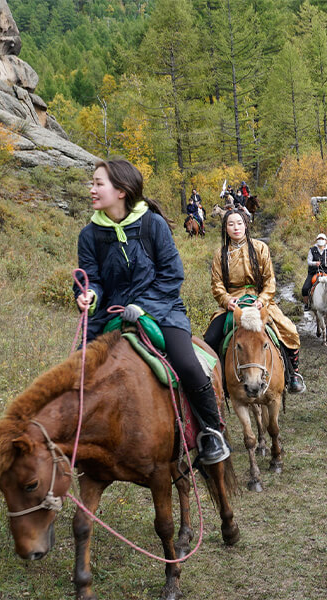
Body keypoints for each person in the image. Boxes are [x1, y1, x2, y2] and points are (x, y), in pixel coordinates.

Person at [74, 159, 229, 465]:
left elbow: (172, 274)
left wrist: (143, 306)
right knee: (74, 373)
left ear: (121, 191)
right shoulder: (89, 235)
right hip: (109, 315)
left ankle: (212, 431)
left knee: (187, 364)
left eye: (98, 183)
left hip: (163, 310)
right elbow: (91, 278)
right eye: (92, 183)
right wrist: (89, 295)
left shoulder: (152, 224)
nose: (92, 189)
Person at [203, 208, 306, 394]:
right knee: (210, 338)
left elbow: (270, 281)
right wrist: (226, 300)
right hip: (233, 304)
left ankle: (293, 374)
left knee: (289, 330)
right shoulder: (221, 254)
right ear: (225, 228)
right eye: (231, 224)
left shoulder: (260, 248)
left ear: (246, 225)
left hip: (258, 300)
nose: (236, 227)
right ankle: (216, 380)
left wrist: (262, 300)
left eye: (239, 223)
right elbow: (216, 284)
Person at [301, 233, 327, 311]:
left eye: (322, 239)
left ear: (326, 241)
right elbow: (309, 262)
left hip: (326, 271)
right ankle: (307, 304)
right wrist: (315, 263)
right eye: (319, 239)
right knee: (305, 288)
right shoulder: (312, 250)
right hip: (313, 272)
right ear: (316, 240)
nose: (321, 240)